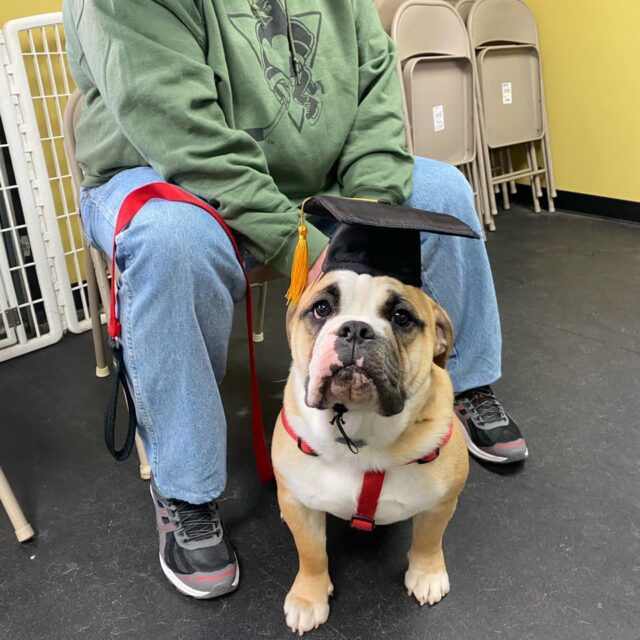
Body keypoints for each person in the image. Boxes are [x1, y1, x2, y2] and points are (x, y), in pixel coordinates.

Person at [63, 0, 527, 599]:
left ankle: (458, 387)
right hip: (166, 171)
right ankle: (186, 489)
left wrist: (371, 222)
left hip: (313, 178)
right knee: (171, 245)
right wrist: (304, 249)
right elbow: (181, 132)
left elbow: (373, 95)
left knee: (444, 190)